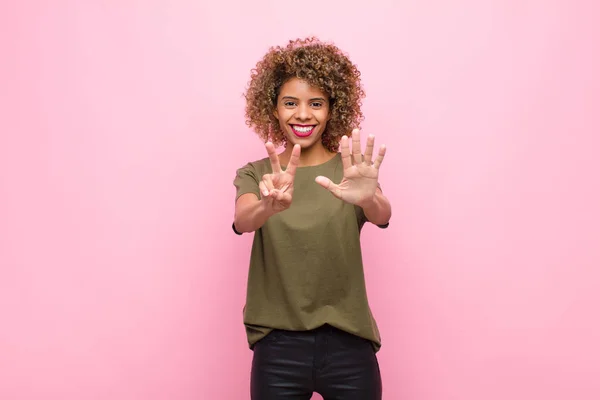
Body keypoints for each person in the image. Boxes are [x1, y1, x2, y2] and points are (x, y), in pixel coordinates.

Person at [232, 37, 392, 400]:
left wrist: (370, 198)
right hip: (279, 349)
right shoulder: (257, 174)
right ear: (273, 108)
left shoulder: (351, 171)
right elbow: (243, 219)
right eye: (291, 103)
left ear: (332, 109)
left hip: (349, 346)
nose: (303, 114)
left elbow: (382, 212)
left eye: (315, 104)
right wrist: (266, 207)